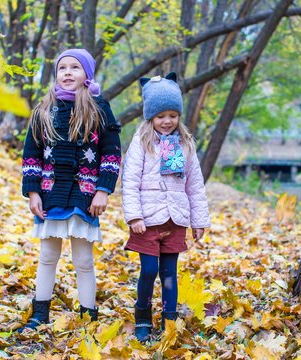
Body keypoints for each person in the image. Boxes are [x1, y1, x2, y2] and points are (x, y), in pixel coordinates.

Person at [18, 49, 121, 333]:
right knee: (47, 256)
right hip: (51, 193)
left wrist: (103, 190)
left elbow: (111, 154)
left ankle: (89, 317)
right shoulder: (43, 109)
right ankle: (40, 313)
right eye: (62, 67)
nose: (67, 73)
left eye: (75, 67)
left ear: (87, 74)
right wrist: (33, 192)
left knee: (84, 260)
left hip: (84, 195)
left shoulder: (99, 108)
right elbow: (31, 154)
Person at [121, 72, 210, 342]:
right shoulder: (141, 142)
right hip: (147, 219)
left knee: (170, 274)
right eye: (161, 116)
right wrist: (134, 215)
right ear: (151, 117)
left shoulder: (185, 144)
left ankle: (169, 320)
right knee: (148, 270)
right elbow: (129, 181)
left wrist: (199, 220)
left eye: (172, 115)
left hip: (176, 218)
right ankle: (143, 318)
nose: (167, 121)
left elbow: (195, 185)